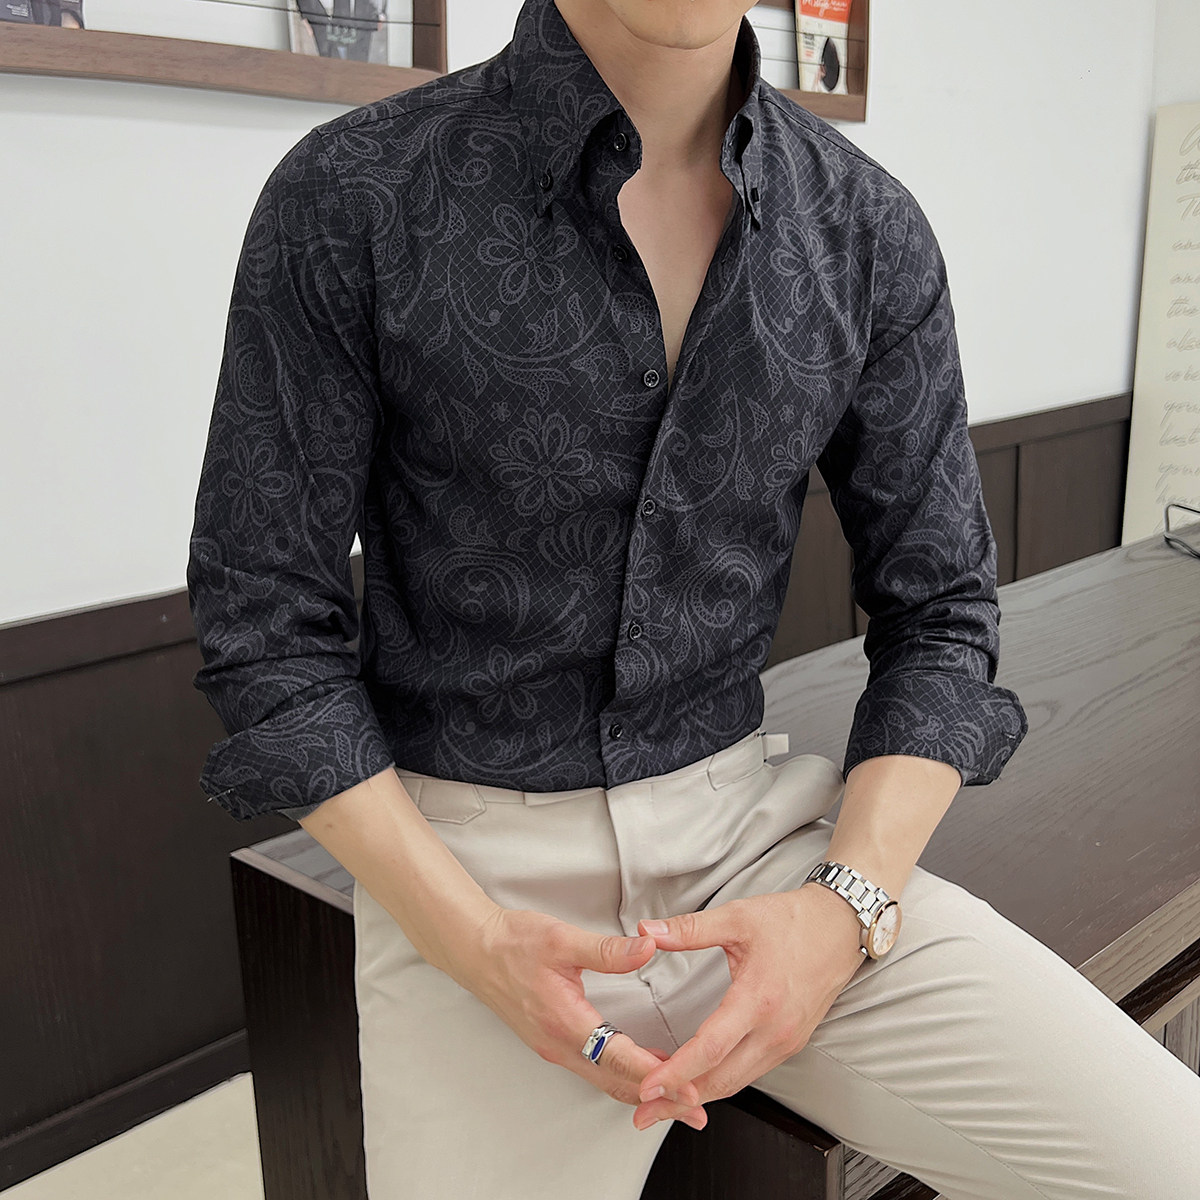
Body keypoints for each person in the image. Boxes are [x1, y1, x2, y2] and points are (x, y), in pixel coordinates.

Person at [185, 0, 1200, 1196]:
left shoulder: (863, 227)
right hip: (469, 881)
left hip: (752, 846)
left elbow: (942, 612)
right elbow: (267, 629)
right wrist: (475, 940)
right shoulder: (354, 194)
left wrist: (844, 905)